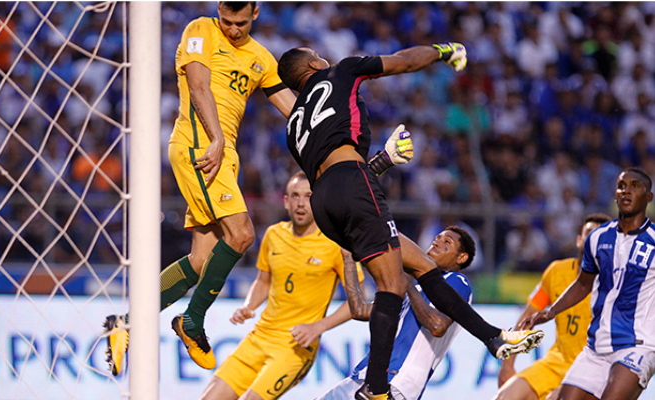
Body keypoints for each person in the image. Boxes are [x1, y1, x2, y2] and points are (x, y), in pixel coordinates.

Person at [277, 45, 543, 400]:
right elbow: (404, 62)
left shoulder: (294, 122)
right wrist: (442, 52)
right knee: (391, 285)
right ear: (313, 64)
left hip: (323, 203)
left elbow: (331, 171)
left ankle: (493, 336)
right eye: (317, 56)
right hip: (351, 181)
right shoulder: (340, 71)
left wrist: (383, 160)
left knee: (420, 265)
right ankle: (376, 389)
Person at [104, 1, 297, 375]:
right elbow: (198, 85)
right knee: (241, 235)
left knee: (200, 261)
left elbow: (290, 105)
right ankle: (192, 321)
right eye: (226, 20)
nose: (232, 29)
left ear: (254, 15)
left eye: (240, 23)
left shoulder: (261, 57)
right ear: (218, 11)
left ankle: (126, 323)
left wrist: (326, 114)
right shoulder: (200, 31)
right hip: (200, 148)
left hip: (222, 155)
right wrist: (217, 138)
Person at [198, 171, 362, 400]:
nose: (301, 203)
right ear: (286, 201)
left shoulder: (335, 244)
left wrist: (318, 327)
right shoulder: (274, 235)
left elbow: (358, 302)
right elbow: (263, 281)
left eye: (308, 196)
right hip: (260, 337)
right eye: (295, 196)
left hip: (294, 347)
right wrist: (249, 305)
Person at [523, 167, 655, 400]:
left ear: (649, 197)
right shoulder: (598, 238)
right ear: (615, 195)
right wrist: (549, 312)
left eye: (635, 186)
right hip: (596, 345)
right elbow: (583, 284)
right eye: (622, 185)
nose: (626, 191)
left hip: (638, 344)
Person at [315, 226, 477, 400]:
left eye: (447, 241)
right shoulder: (413, 290)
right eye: (437, 237)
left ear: (462, 257)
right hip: (365, 377)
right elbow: (359, 310)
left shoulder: (457, 281)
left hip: (397, 384)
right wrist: (347, 258)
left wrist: (404, 281)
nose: (437, 242)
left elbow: (438, 326)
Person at [494, 213, 611, 400]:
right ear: (579, 240)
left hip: (593, 369)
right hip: (556, 361)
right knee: (505, 396)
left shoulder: (615, 282)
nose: (593, 241)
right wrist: (507, 365)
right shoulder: (557, 271)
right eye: (589, 234)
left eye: (600, 237)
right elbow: (527, 317)